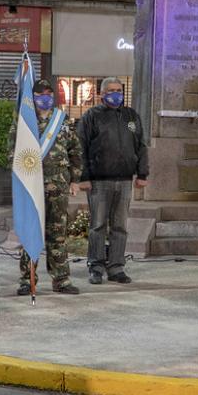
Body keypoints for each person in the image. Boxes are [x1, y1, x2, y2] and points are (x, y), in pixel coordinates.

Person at [8, 79, 82, 295]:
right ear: (33, 97)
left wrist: (75, 180)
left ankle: (61, 280)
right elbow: (12, 153)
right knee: (31, 233)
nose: (45, 97)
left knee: (57, 234)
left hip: (57, 188)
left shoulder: (62, 121)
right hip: (32, 189)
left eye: (49, 93)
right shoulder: (24, 123)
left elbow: (75, 151)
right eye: (40, 94)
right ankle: (26, 280)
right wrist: (21, 178)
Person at [77, 77, 148, 285]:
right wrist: (84, 177)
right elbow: (80, 148)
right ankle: (96, 266)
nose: (116, 94)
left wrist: (142, 174)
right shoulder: (91, 117)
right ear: (101, 94)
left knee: (120, 227)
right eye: (111, 91)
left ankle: (116, 267)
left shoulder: (131, 116)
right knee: (98, 225)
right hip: (99, 181)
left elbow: (141, 146)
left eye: (119, 90)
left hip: (125, 180)